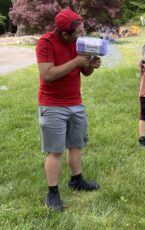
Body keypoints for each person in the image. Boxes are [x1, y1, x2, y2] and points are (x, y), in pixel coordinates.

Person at [36, 9, 101, 212]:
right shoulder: (45, 42)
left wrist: (91, 65)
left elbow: (85, 72)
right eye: (78, 32)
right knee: (55, 151)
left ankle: (76, 180)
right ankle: (52, 193)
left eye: (83, 30)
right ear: (64, 34)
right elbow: (47, 74)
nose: (82, 35)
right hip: (52, 104)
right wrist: (76, 61)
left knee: (76, 145)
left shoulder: (79, 43)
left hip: (75, 102)